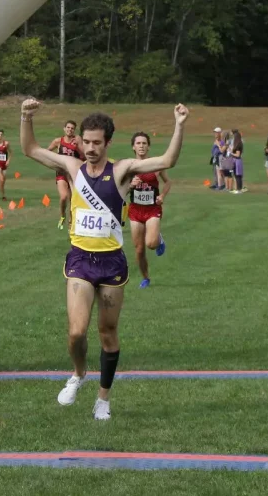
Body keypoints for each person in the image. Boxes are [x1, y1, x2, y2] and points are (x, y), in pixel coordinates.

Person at [19, 98, 189, 420]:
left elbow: (168, 159)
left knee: (107, 333)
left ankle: (103, 398)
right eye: (86, 142)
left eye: (97, 142)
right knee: (76, 332)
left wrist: (179, 125)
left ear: (108, 142)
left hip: (111, 262)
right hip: (81, 259)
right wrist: (26, 116)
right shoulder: (72, 168)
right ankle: (79, 374)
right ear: (81, 141)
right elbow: (30, 149)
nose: (91, 148)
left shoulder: (123, 170)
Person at [127, 132, 171, 288]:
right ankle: (145, 278)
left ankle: (159, 241)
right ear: (133, 146)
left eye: (144, 143)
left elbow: (167, 182)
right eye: (138, 143)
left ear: (148, 146)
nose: (141, 146)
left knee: (150, 244)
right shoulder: (129, 167)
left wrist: (162, 196)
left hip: (152, 209)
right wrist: (130, 185)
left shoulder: (155, 165)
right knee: (139, 250)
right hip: (135, 211)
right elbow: (120, 189)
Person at [47, 121, 80, 229]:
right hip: (61, 172)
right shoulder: (58, 141)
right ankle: (62, 215)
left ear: (74, 130)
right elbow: (47, 152)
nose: (70, 130)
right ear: (64, 128)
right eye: (68, 127)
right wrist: (54, 162)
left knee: (73, 199)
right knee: (63, 196)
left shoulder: (77, 142)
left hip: (73, 174)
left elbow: (84, 156)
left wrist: (78, 148)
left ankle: (71, 221)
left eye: (72, 128)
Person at [230, 129, 246, 194]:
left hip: (237, 161)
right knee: (238, 176)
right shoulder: (238, 144)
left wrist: (231, 153)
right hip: (237, 161)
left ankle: (239, 189)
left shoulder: (238, 145)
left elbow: (238, 154)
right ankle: (239, 189)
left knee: (237, 176)